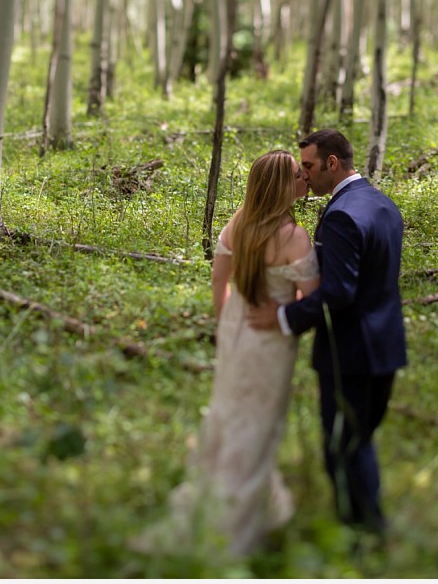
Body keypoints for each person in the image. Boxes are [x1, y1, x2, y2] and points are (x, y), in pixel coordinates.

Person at [131, 150, 319, 557]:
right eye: (295, 174)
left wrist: (226, 324)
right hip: (270, 341)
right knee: (258, 423)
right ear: (279, 186)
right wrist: (283, 312)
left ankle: (244, 505)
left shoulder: (238, 224)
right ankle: (232, 530)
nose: (304, 178)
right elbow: (312, 298)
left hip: (235, 333)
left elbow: (220, 281)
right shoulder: (294, 237)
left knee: (230, 414)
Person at [247, 129, 407, 537]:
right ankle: (367, 530)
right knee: (361, 441)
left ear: (331, 164)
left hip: (348, 352)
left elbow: (337, 293)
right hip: (386, 347)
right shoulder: (384, 205)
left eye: (309, 167)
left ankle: (362, 534)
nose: (305, 176)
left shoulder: (339, 216)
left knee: (342, 448)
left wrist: (283, 318)